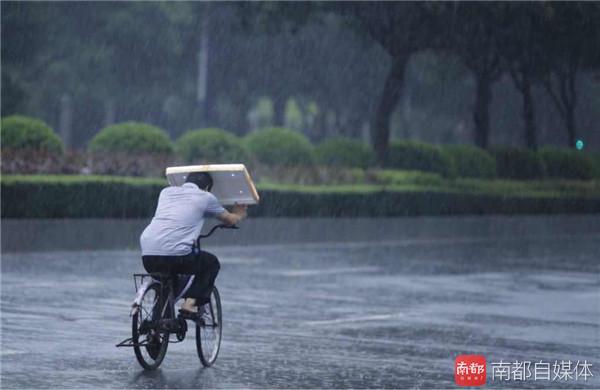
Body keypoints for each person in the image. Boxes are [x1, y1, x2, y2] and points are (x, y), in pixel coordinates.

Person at [140, 171, 247, 318]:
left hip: (148, 255)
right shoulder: (206, 197)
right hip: (176, 257)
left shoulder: (165, 192)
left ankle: (156, 329)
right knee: (211, 263)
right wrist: (239, 213)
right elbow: (230, 220)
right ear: (207, 187)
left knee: (167, 282)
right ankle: (190, 304)